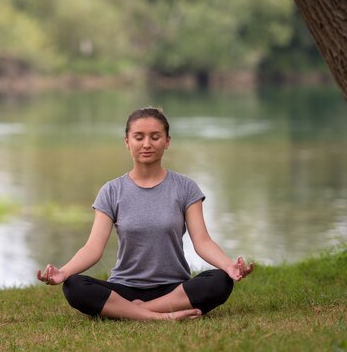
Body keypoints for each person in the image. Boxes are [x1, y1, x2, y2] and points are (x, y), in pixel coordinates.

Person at [37, 107, 254, 321]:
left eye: (155, 137)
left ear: (167, 141)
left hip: (173, 289)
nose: (147, 144)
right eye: (139, 137)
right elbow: (93, 248)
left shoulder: (186, 188)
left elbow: (203, 241)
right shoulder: (111, 191)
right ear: (127, 142)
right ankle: (161, 316)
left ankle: (135, 311)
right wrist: (63, 273)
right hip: (124, 287)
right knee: (74, 286)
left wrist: (228, 265)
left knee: (220, 281)